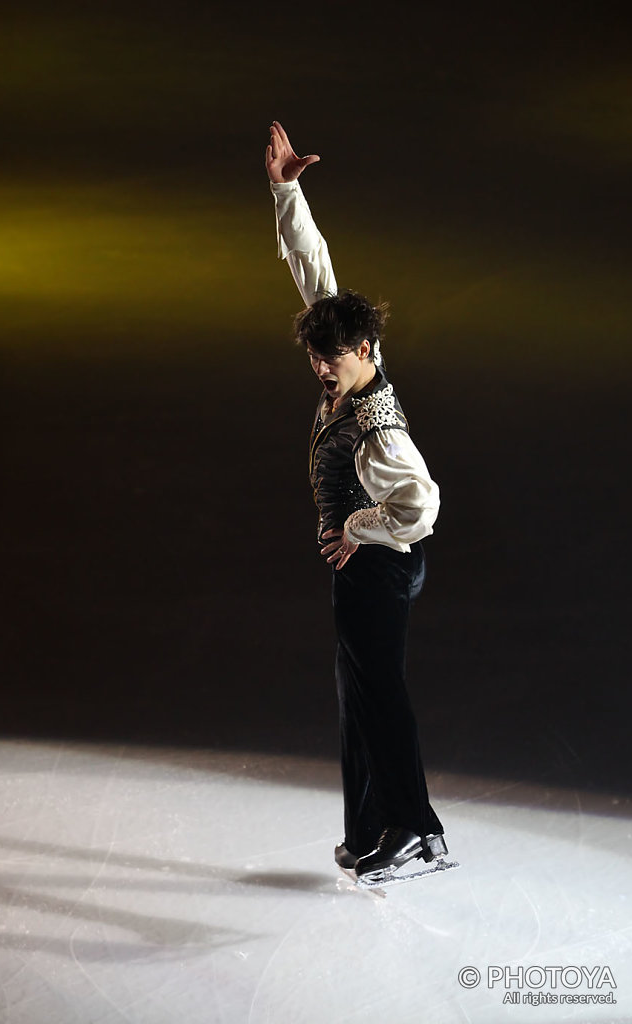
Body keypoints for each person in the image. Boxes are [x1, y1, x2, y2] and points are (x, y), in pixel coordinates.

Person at [265, 121, 448, 883]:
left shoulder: (378, 426)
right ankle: (370, 824)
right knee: (357, 699)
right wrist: (286, 190)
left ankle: (415, 828)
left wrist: (356, 524)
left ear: (365, 352)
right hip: (359, 574)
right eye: (315, 356)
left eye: (331, 357)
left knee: (380, 701)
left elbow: (421, 505)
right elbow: (315, 270)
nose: (322, 368)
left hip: (378, 571)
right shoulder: (350, 352)